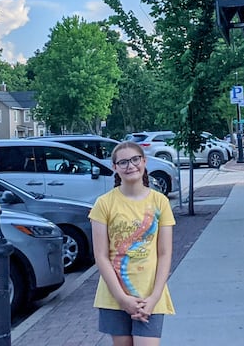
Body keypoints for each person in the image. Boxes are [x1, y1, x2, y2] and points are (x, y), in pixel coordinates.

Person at [90, 141, 175, 345]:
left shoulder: (159, 202)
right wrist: (122, 298)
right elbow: (101, 256)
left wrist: (154, 297)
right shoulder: (104, 203)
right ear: (115, 168)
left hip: (149, 294)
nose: (130, 166)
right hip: (114, 295)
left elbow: (164, 253)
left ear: (144, 162)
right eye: (123, 162)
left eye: (135, 159)